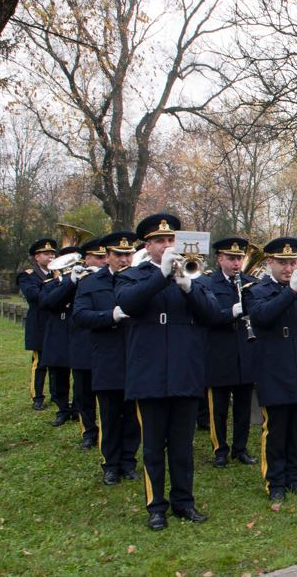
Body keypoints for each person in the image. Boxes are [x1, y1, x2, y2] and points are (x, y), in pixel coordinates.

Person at [115, 214, 221, 530]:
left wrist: (188, 286)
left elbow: (213, 314)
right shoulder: (131, 275)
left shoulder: (198, 275)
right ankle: (156, 506)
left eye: (171, 240)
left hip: (185, 372)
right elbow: (127, 304)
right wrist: (160, 277)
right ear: (148, 245)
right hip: (148, 374)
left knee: (181, 445)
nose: (167, 245)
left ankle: (183, 502)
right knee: (152, 447)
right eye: (160, 240)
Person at [243, 237, 297, 501]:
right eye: (282, 263)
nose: (288, 268)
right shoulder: (256, 290)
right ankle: (275, 482)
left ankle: (295, 477)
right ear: (269, 262)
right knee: (276, 429)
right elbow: (262, 317)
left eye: (293, 262)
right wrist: (290, 292)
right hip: (275, 369)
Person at [73, 231, 140, 485]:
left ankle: (128, 461)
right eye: (119, 255)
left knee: (133, 414)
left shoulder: (140, 279)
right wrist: (110, 316)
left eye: (128, 254)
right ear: (107, 256)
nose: (124, 260)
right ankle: (110, 464)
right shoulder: (90, 283)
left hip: (136, 356)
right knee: (110, 415)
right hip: (108, 357)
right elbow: (80, 317)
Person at [201, 237, 259, 468]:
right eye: (232, 258)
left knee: (244, 404)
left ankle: (240, 448)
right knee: (219, 407)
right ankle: (220, 449)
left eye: (239, 258)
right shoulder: (208, 283)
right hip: (219, 350)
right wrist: (230, 312)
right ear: (220, 259)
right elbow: (206, 316)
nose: (236, 263)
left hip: (245, 349)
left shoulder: (250, 283)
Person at [69, 238, 108, 448]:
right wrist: (71, 281)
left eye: (104, 257)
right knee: (84, 392)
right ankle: (89, 432)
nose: (102, 261)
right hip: (82, 341)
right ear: (87, 259)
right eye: (98, 257)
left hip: (105, 343)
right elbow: (51, 302)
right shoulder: (76, 278)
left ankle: (106, 431)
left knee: (106, 392)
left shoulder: (114, 278)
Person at [39, 244, 83, 426]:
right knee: (58, 375)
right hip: (57, 333)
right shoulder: (50, 285)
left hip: (77, 332)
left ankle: (79, 408)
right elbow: (49, 302)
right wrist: (69, 282)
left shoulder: (84, 281)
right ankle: (62, 408)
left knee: (80, 375)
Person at [18, 238, 56, 410]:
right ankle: (37, 396)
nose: (51, 257)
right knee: (39, 362)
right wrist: (55, 283)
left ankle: (57, 395)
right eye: (47, 254)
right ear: (37, 257)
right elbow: (33, 295)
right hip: (39, 324)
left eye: (53, 253)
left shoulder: (57, 273)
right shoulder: (27, 275)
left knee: (57, 361)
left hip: (56, 323)